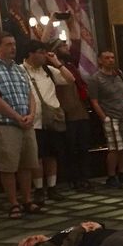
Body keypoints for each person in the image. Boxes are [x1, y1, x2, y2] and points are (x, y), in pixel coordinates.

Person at [0, 30, 40, 218]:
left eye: (14, 44)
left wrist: (31, 114)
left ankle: (27, 200)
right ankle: (13, 203)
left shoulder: (19, 69)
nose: (13, 47)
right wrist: (16, 117)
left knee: (27, 164)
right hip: (5, 124)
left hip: (26, 123)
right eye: (8, 44)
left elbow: (30, 94)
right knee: (8, 167)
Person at [23, 40, 74, 204]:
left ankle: (52, 187)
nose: (44, 55)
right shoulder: (20, 70)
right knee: (36, 157)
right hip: (33, 120)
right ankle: (38, 188)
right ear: (30, 53)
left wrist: (57, 63)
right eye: (40, 52)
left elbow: (70, 79)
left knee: (52, 155)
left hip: (52, 119)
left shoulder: (49, 70)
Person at [88, 50, 123, 189]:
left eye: (112, 57)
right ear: (100, 61)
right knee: (114, 148)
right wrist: (104, 117)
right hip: (110, 116)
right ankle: (111, 176)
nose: (110, 60)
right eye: (107, 58)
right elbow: (94, 101)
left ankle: (122, 173)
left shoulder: (119, 74)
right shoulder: (96, 79)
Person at [50, 40, 92, 191]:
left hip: (81, 110)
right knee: (70, 149)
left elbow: (76, 45)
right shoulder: (52, 68)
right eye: (61, 46)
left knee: (84, 148)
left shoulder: (71, 66)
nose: (65, 48)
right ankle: (73, 179)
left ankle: (85, 177)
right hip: (66, 113)